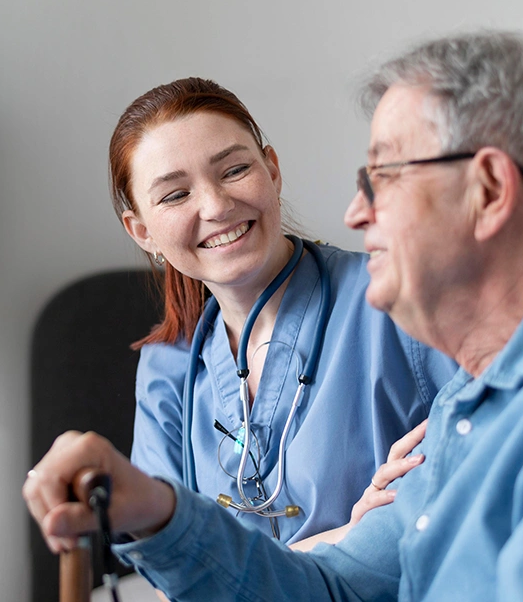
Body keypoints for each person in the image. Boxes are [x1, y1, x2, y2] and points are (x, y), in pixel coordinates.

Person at [25, 30, 523, 600]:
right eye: (175, 192)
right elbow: (333, 589)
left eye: (383, 176)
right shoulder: (474, 405)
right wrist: (157, 511)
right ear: (139, 228)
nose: (355, 214)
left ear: (490, 191)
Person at [108, 77, 457, 549]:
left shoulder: (397, 298)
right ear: (142, 232)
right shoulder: (168, 367)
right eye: (175, 195)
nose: (215, 206)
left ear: (271, 171)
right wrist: (345, 538)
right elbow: (168, 569)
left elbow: (492, 468)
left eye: (233, 170)